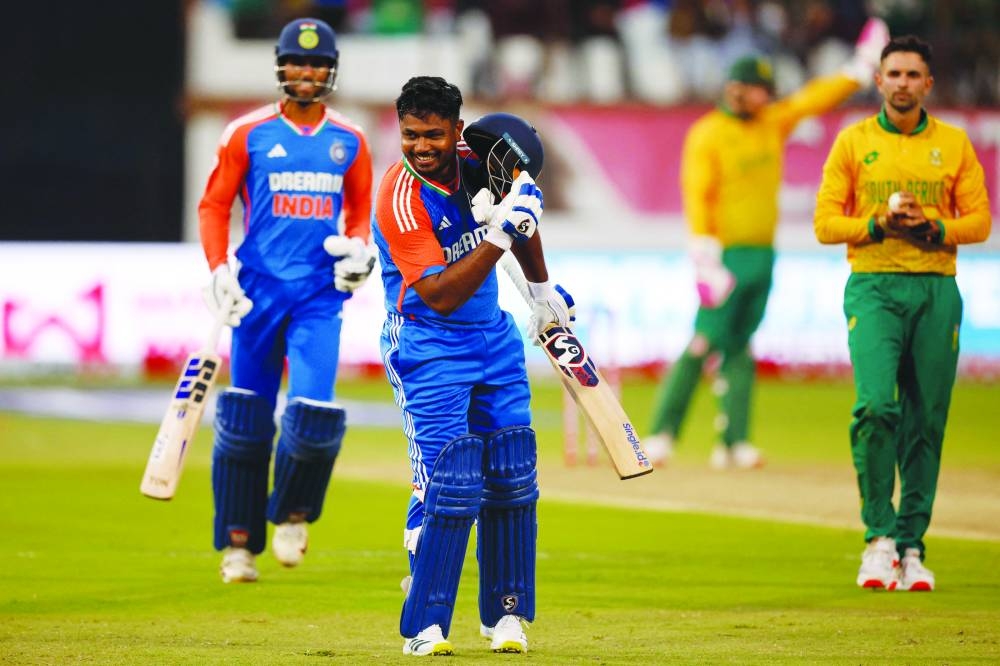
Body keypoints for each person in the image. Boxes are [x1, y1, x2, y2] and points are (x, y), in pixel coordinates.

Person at [372, 76, 574, 656]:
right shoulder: (399, 197)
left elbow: (523, 220)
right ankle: (426, 622)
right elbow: (439, 295)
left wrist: (541, 293)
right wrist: (500, 233)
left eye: (433, 134)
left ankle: (504, 615)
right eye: (411, 135)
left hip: (493, 338)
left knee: (511, 472)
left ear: (456, 129)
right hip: (427, 343)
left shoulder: (484, 157)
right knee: (449, 481)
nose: (421, 146)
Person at [644, 18, 891, 470]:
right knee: (703, 341)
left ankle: (733, 442)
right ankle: (661, 433)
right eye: (759, 90)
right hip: (724, 255)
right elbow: (697, 192)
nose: (765, 97)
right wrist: (704, 253)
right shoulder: (708, 133)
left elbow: (812, 99)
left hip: (762, 254)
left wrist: (859, 69)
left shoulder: (771, 123)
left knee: (740, 346)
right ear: (736, 89)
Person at [197, 17, 374, 583]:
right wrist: (218, 270)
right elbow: (214, 206)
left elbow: (360, 213)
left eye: (317, 63)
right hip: (256, 295)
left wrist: (360, 253)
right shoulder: (245, 132)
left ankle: (294, 513)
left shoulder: (350, 139)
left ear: (331, 70)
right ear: (280, 65)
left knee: (313, 413)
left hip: (319, 296)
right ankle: (239, 545)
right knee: (246, 421)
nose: (306, 71)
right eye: (297, 61)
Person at [814, 35, 991, 591]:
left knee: (926, 420)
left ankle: (911, 546)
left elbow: (980, 222)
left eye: (913, 75)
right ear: (879, 80)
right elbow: (825, 224)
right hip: (874, 285)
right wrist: (877, 225)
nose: (903, 84)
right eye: (894, 74)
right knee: (874, 408)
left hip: (936, 287)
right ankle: (879, 539)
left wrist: (932, 228)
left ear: (928, 84)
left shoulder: (954, 144)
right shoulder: (854, 141)